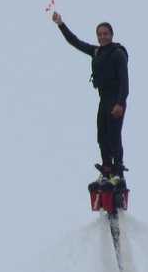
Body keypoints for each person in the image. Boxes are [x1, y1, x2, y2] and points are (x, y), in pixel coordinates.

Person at [52, 11, 129, 184]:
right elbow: (75, 42)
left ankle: (118, 172)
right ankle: (107, 169)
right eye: (99, 34)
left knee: (114, 136)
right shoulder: (97, 52)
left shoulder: (118, 54)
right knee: (102, 135)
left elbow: (125, 82)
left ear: (111, 35)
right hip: (103, 100)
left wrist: (120, 103)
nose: (102, 37)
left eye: (105, 34)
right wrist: (60, 24)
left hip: (116, 100)